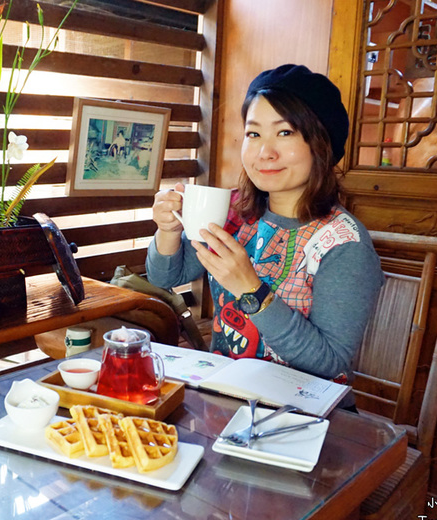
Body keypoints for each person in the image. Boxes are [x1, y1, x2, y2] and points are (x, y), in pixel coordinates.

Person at [145, 64, 384, 402]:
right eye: (254, 134)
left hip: (301, 413)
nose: (264, 153)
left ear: (321, 144)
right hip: (227, 396)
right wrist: (168, 230)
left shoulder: (343, 242)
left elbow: (330, 362)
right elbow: (167, 276)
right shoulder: (234, 210)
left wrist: (251, 291)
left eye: (285, 133)